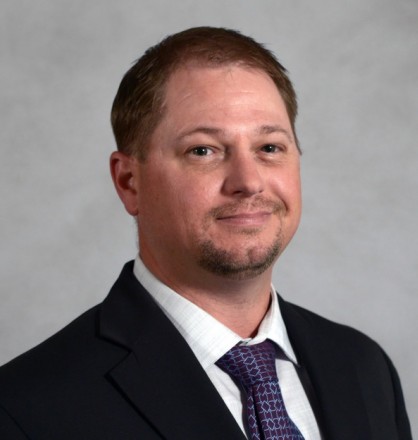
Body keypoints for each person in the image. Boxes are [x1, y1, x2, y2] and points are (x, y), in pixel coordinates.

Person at [0, 26, 412, 440]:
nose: (248, 182)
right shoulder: (24, 409)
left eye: (269, 148)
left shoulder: (364, 367)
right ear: (129, 182)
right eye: (203, 150)